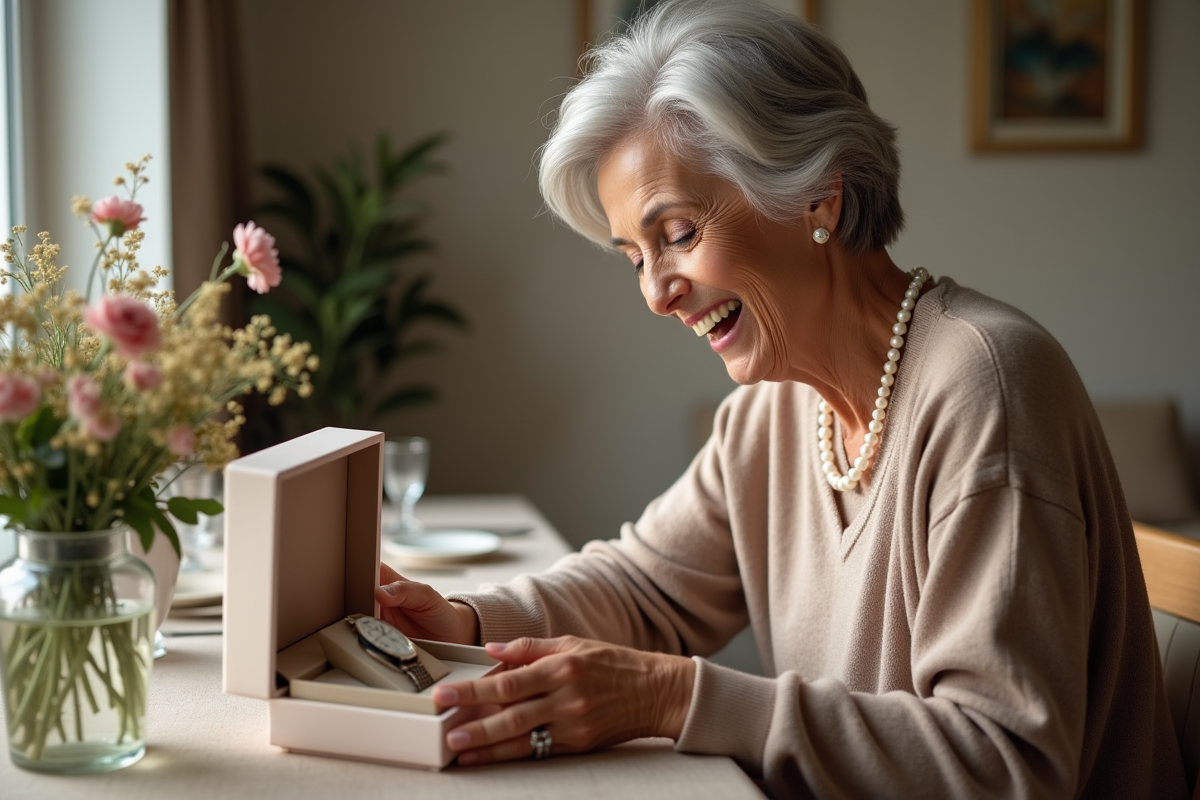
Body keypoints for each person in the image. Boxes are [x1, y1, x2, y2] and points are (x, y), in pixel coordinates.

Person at [375, 1, 1187, 796]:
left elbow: (1007, 764)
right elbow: (648, 590)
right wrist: (466, 624)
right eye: (633, 257)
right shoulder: (772, 410)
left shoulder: (988, 387)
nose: (657, 294)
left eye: (680, 233)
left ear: (817, 196)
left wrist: (674, 697)